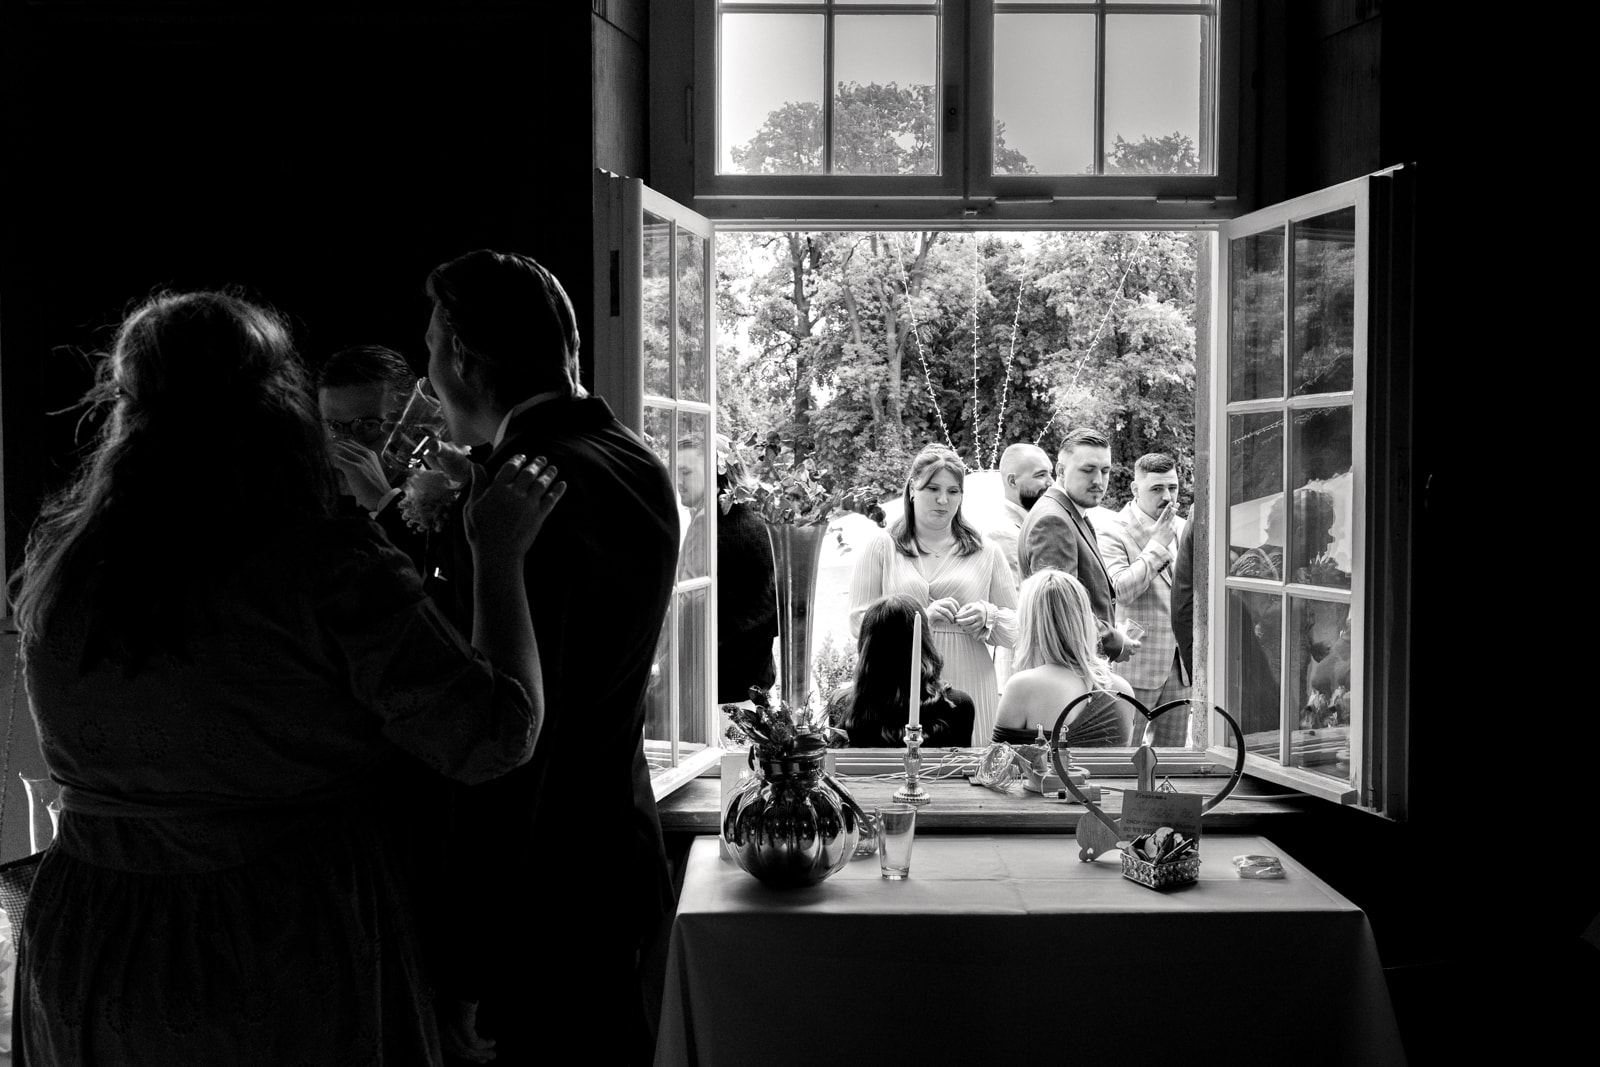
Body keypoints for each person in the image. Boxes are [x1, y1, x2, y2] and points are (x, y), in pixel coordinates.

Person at [7, 290, 562, 1065]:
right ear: (275, 409)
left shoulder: (64, 564)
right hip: (277, 938)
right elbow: (495, 735)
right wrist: (500, 555)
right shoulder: (323, 565)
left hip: (95, 940)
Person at [419, 249, 679, 1065]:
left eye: (431, 349)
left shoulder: (513, 500)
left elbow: (507, 741)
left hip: (533, 902)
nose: (427, 378)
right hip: (618, 857)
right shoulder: (636, 461)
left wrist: (466, 958)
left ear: (463, 356)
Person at [848, 443, 1016, 744]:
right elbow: (858, 622)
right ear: (913, 489)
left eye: (954, 491)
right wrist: (917, 620)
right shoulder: (881, 546)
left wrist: (988, 617)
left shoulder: (986, 551)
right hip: (899, 686)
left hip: (971, 674)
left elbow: (1017, 629)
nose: (943, 500)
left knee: (967, 774)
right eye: (933, 489)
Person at [1018, 427, 1141, 664]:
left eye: (1105, 471)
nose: (1098, 481)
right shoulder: (1053, 521)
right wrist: (1113, 641)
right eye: (1088, 470)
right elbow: (1061, 612)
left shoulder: (1068, 513)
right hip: (1068, 669)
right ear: (1061, 470)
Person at [678, 434, 778, 703]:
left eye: (685, 472)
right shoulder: (757, 518)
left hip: (715, 690)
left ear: (715, 472)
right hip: (756, 683)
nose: (677, 481)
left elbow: (687, 610)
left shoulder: (708, 525)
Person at [1098, 452, 1190, 744]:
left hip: (1181, 667)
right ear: (1135, 490)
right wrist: (1157, 546)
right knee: (1124, 755)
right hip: (1135, 665)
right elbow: (1121, 590)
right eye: (1157, 489)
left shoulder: (1185, 528)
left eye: (1172, 488)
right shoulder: (1111, 530)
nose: (1167, 497)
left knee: (1173, 761)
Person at [316, 343, 431, 569]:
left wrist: (383, 504)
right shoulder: (312, 502)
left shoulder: (448, 502)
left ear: (410, 425)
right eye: (334, 427)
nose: (349, 446)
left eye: (368, 426)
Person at [992, 569, 1135, 746]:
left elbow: (996, 768)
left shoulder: (1023, 686)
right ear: (1084, 619)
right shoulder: (1123, 690)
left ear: (1031, 624)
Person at [825, 594, 976, 748]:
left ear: (866, 645)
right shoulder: (957, 705)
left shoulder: (842, 704)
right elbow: (959, 769)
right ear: (924, 643)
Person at [984, 442, 1054, 688]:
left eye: (1051, 473)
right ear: (1012, 481)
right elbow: (1017, 604)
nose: (1051, 483)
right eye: (1040, 475)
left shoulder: (1036, 522)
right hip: (1020, 658)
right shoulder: (1002, 531)